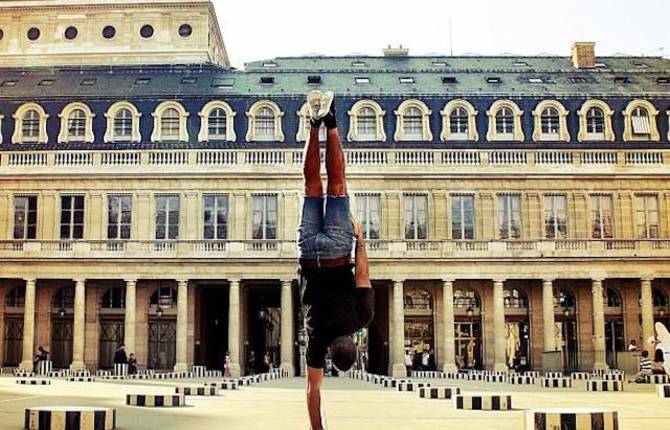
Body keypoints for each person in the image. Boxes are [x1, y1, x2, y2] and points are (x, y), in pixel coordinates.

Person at [298, 90, 375, 430]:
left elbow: (362, 275)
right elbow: (312, 391)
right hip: (310, 254)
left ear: (356, 343)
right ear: (331, 354)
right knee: (312, 185)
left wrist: (360, 240)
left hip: (340, 251)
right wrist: (318, 429)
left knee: (339, 185)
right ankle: (314, 123)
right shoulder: (316, 341)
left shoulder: (362, 317)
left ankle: (329, 122)